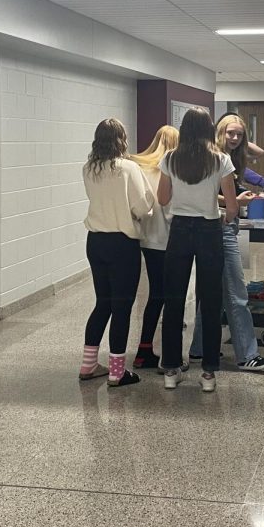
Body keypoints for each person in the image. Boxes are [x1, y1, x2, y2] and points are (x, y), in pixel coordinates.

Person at [187, 113, 264, 373]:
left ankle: (199, 348)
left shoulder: (230, 158)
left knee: (210, 293)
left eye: (239, 134)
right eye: (230, 133)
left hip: (220, 226)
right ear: (218, 132)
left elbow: (255, 151)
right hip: (221, 228)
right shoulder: (214, 158)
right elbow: (206, 195)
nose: (235, 138)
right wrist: (236, 202)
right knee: (237, 295)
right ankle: (247, 354)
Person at [158, 107, 238, 393]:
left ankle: (170, 369)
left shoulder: (170, 158)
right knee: (211, 300)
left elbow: (163, 197)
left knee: (174, 299)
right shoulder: (221, 160)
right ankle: (208, 374)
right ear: (207, 129)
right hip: (208, 231)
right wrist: (224, 217)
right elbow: (231, 206)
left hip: (179, 230)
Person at [79, 118, 154, 387]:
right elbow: (143, 206)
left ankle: (88, 365)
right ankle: (116, 372)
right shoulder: (128, 168)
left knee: (103, 303)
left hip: (95, 242)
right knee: (122, 307)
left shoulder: (89, 168)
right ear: (121, 139)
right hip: (122, 244)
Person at [129, 125, 179, 370]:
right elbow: (171, 208)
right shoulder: (171, 170)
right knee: (169, 296)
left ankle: (144, 349)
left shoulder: (140, 168)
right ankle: (166, 352)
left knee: (155, 294)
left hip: (146, 240)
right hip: (169, 240)